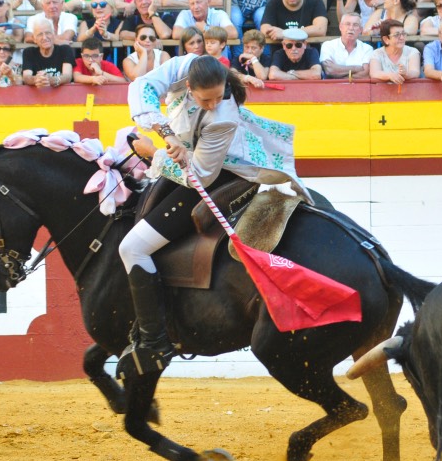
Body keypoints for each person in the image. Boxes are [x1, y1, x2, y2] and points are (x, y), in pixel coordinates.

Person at [123, 54, 308, 371]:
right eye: (205, 99)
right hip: (187, 154)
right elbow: (141, 87)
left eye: (218, 97)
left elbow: (200, 176)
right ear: (189, 87)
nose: (212, 104)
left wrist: (153, 152)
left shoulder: (223, 115)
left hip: (223, 171)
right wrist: (167, 134)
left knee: (132, 247)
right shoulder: (185, 66)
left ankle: (155, 342)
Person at [260, 0, 328, 43]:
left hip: (309, 51)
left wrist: (284, 33)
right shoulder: (273, 4)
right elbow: (264, 30)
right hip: (279, 52)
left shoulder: (315, 2)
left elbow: (321, 29)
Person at [172, 0, 238, 40]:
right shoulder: (184, 14)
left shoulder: (219, 14)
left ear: (208, 2)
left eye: (199, 2)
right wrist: (202, 32)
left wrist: (206, 28)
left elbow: (232, 33)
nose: (195, 7)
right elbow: (176, 34)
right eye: (192, 3)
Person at [22, 18, 74, 86]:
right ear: (34, 38)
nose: (44, 37)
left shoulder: (65, 50)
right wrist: (37, 79)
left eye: (48, 33)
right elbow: (26, 77)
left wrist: (51, 80)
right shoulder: (29, 52)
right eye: (40, 34)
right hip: (37, 94)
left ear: (53, 34)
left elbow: (67, 76)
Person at [320, 12, 372, 79]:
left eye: (355, 25)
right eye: (347, 24)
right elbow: (329, 70)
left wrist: (338, 73)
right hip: (333, 88)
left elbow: (365, 74)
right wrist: (356, 68)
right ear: (340, 27)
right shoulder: (328, 45)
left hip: (357, 88)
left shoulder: (367, 49)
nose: (351, 28)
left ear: (360, 30)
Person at [369, 18, 421, 83]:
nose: (402, 38)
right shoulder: (376, 54)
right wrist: (390, 75)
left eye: (403, 34)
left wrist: (406, 73)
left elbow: (415, 72)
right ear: (386, 39)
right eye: (397, 35)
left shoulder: (412, 52)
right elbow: (374, 73)